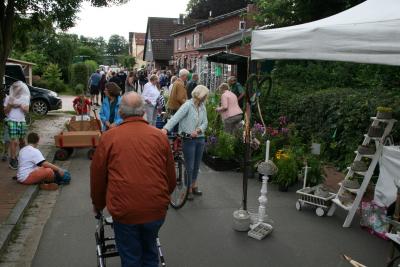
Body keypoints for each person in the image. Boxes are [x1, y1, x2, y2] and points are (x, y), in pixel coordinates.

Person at [90, 92, 176, 267]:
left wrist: (98, 205)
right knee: (150, 251)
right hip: (155, 209)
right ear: (143, 111)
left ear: (121, 113)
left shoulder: (109, 138)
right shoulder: (160, 136)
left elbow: (98, 177)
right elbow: (171, 178)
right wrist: (160, 198)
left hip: (125, 210)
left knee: (130, 256)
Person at [162, 85, 209, 200]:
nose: (206, 97)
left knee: (197, 165)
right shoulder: (188, 105)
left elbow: (205, 122)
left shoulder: (202, 106)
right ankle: (188, 189)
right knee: (190, 165)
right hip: (188, 139)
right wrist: (165, 129)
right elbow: (175, 118)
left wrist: (198, 130)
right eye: (205, 95)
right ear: (200, 94)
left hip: (200, 138)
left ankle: (193, 185)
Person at [4, 81, 30, 170]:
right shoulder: (8, 98)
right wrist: (10, 104)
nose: (17, 90)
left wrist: (21, 106)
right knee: (14, 141)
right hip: (12, 120)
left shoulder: (25, 98)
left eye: (19, 88)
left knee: (22, 141)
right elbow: (5, 111)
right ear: (13, 89)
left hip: (21, 121)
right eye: (15, 88)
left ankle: (22, 157)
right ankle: (13, 160)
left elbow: (27, 110)